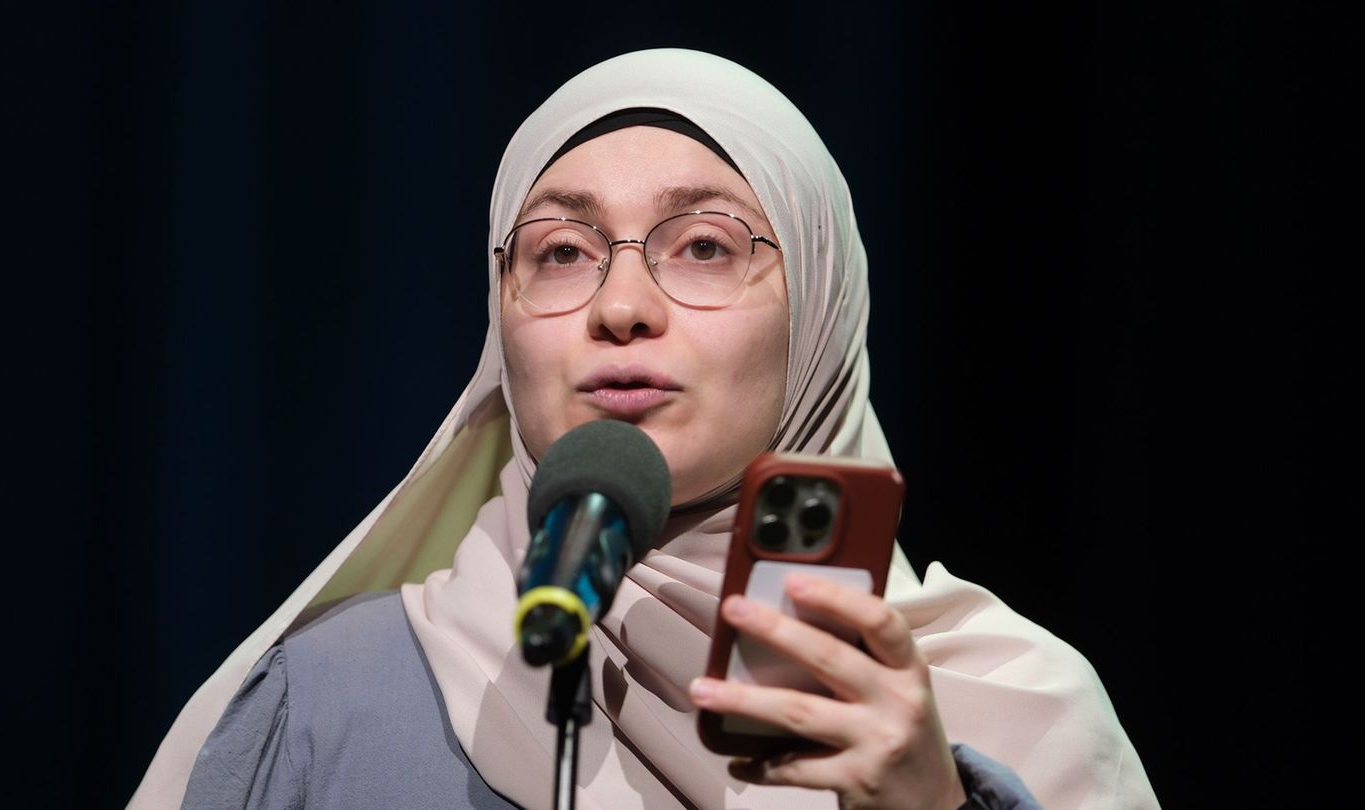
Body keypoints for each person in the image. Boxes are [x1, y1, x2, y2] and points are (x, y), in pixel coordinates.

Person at [129, 49, 1158, 809]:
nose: (621, 304)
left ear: (822, 317)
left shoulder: (1016, 714)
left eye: (705, 245)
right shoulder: (327, 707)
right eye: (563, 251)